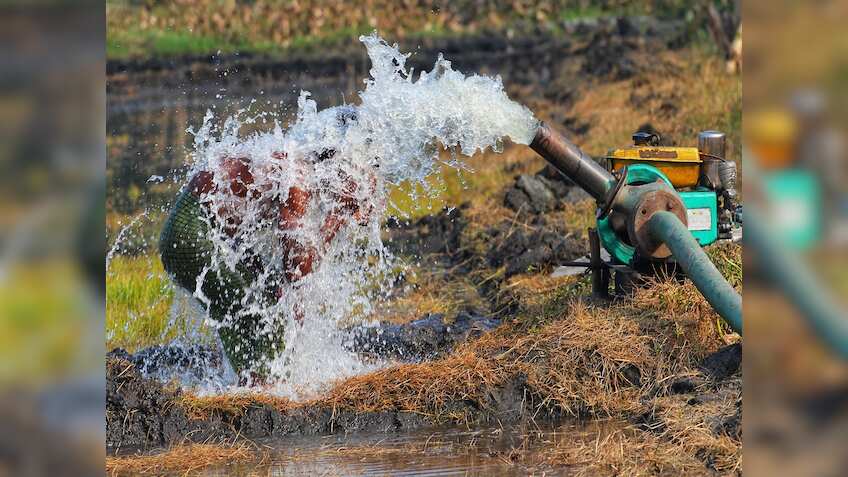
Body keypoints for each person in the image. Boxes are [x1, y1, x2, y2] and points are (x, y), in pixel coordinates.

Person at [159, 107, 375, 380]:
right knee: (262, 321)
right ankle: (258, 397)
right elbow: (297, 270)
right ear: (338, 159)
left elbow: (282, 268)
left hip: (199, 232)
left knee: (266, 307)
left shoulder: (289, 161)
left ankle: (255, 388)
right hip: (191, 234)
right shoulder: (297, 177)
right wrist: (339, 215)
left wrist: (273, 286)